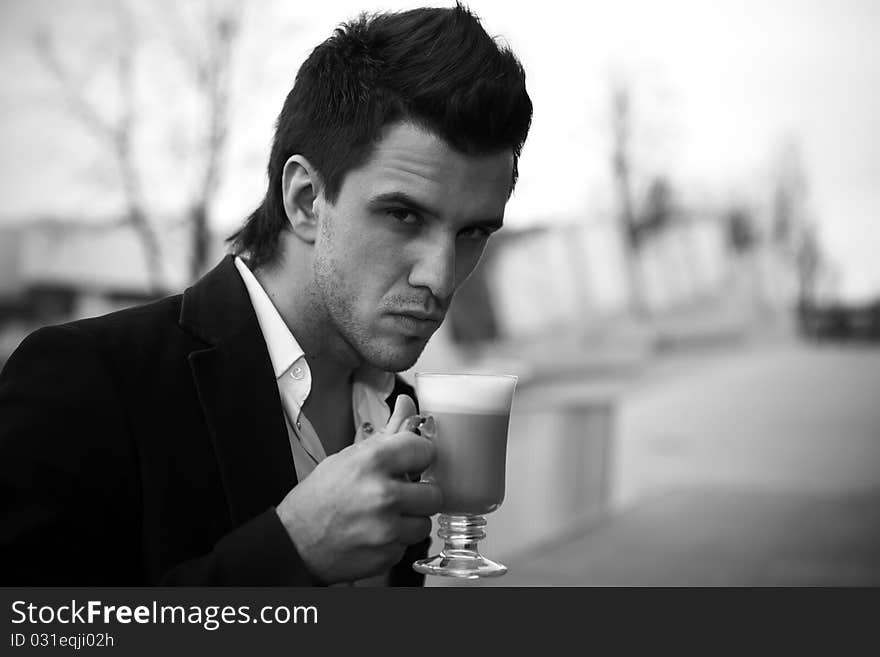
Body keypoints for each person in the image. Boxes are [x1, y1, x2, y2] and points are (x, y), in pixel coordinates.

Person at [0, 3, 532, 586]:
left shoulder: (406, 413)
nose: (440, 275)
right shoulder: (87, 380)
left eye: (473, 231)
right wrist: (290, 550)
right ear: (305, 200)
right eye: (404, 215)